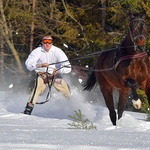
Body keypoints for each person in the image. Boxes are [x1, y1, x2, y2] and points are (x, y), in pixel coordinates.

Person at [23, 35, 71, 115]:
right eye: (45, 42)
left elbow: (68, 67)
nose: (47, 44)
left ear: (52, 43)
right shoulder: (37, 51)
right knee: (38, 88)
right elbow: (29, 64)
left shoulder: (58, 51)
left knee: (64, 88)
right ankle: (28, 109)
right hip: (43, 75)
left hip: (54, 75)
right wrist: (40, 65)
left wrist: (59, 70)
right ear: (42, 42)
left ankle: (72, 105)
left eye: (49, 42)